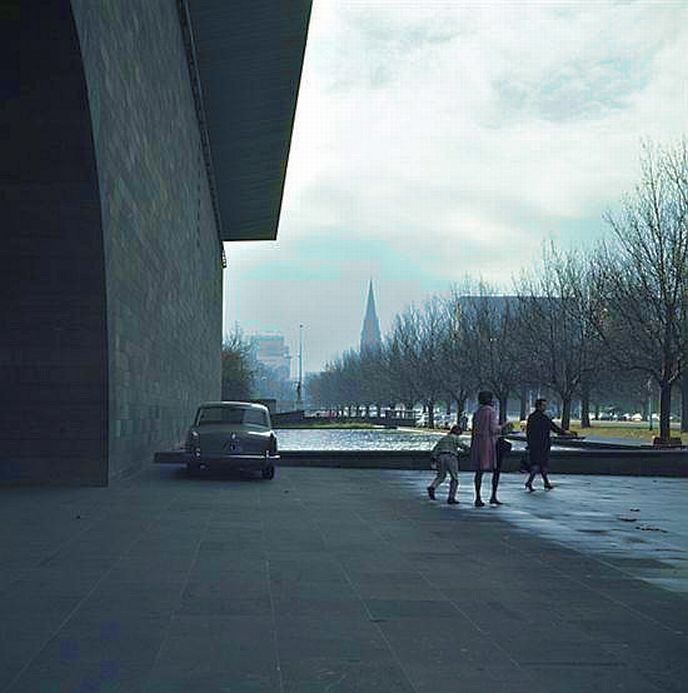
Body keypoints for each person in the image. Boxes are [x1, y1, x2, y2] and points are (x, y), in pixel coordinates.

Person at [470, 391, 512, 507]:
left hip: (478, 443)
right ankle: (493, 496)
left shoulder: (477, 412)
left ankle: (478, 497)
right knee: (496, 470)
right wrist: (504, 426)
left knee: (479, 472)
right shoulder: (491, 411)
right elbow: (493, 429)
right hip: (490, 444)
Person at [524, 398, 573, 491]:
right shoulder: (544, 418)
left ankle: (544, 483)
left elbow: (528, 432)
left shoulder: (531, 417)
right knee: (540, 465)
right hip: (543, 445)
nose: (545, 407)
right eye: (543, 405)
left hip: (534, 445)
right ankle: (531, 482)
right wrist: (565, 432)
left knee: (540, 464)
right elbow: (554, 428)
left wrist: (529, 443)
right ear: (539, 406)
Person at [427, 424, 469, 505]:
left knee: (441, 476)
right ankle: (451, 497)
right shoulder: (455, 438)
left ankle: (432, 486)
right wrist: (469, 449)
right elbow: (462, 446)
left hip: (440, 457)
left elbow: (436, 449)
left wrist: (433, 458)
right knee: (454, 478)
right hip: (451, 456)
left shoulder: (443, 438)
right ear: (457, 431)